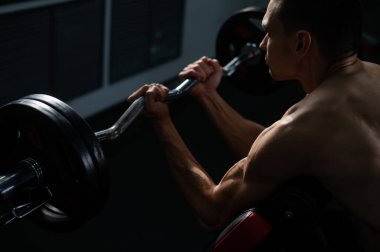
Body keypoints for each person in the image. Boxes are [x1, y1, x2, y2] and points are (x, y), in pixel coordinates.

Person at [129, 0, 380, 250]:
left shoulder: (305, 126)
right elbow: (277, 151)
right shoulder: (372, 76)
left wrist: (161, 121)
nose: (261, 44)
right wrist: (208, 95)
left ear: (301, 43)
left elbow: (213, 210)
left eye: (269, 32)